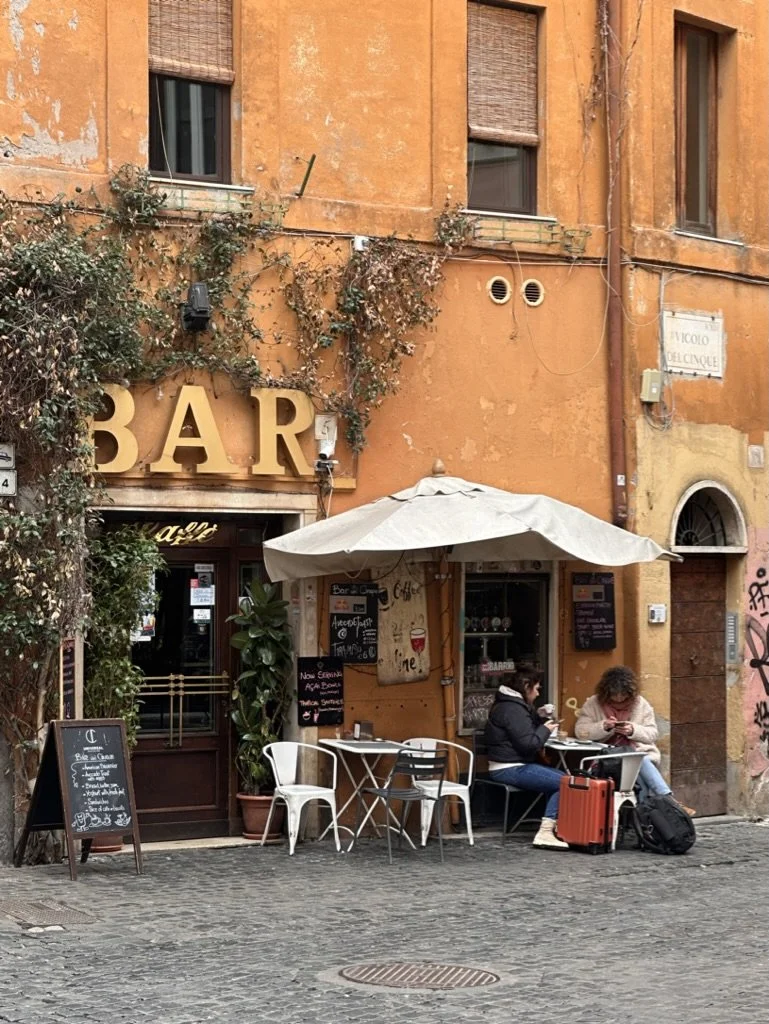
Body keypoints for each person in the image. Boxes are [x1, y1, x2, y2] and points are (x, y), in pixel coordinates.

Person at [574, 665, 695, 814]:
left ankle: (647, 816)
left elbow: (652, 733)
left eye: (623, 696)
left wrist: (633, 730)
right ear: (606, 693)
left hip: (637, 754)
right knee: (637, 761)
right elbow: (581, 731)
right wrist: (603, 727)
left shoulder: (641, 704)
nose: (618, 699)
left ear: (630, 693)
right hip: (606, 758)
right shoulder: (593, 703)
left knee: (637, 760)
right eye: (614, 696)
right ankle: (669, 802)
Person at [484, 666, 568, 850]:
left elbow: (520, 731)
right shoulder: (513, 709)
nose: (538, 693)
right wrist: (546, 729)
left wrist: (537, 717)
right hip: (509, 768)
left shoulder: (508, 705)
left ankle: (553, 826)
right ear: (526, 686)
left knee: (559, 778)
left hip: (506, 765)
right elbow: (529, 744)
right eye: (537, 688)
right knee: (564, 782)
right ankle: (545, 832)